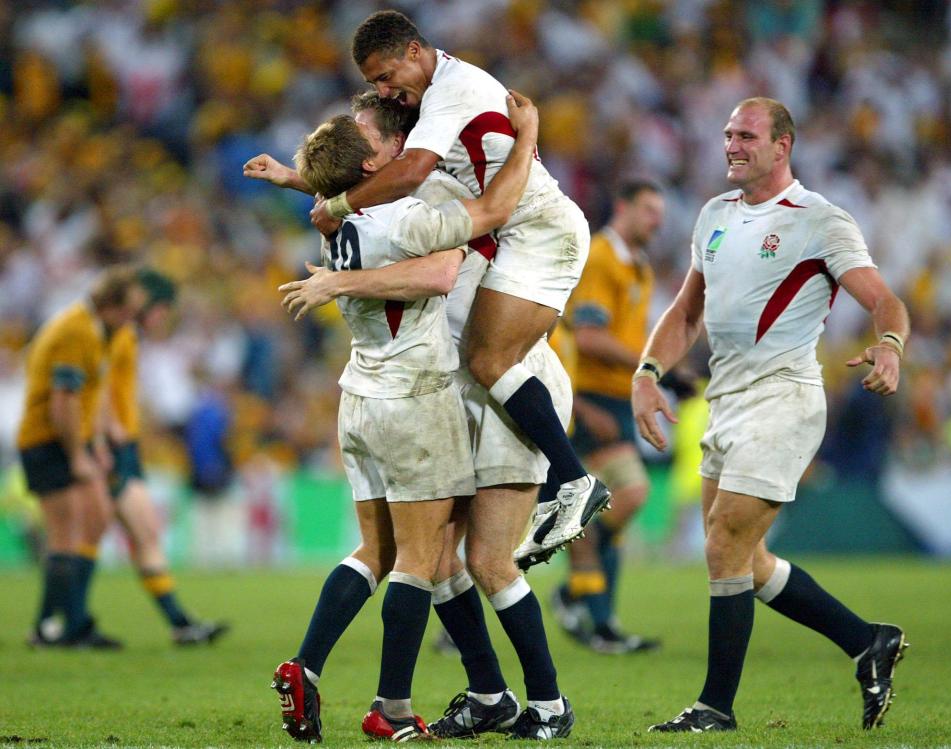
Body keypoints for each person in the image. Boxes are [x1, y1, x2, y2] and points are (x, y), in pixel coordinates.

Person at [280, 102, 577, 742]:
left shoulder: (384, 201)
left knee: (482, 560)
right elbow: (446, 255)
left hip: (486, 381)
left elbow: (490, 216)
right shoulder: (406, 208)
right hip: (426, 389)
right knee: (431, 558)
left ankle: (547, 704)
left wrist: (306, 204)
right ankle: (481, 695)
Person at [631, 97, 910, 732]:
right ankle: (868, 641)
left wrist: (890, 348)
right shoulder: (714, 214)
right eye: (728, 133)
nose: (731, 143)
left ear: (782, 146)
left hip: (784, 397)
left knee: (726, 543)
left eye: (746, 135)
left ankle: (714, 708)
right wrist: (647, 374)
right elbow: (684, 312)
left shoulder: (820, 221)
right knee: (740, 557)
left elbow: (885, 300)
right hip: (724, 400)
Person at [306, 10, 609, 562]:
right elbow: (380, 167)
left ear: (415, 51)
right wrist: (301, 179)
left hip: (538, 227)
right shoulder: (428, 97)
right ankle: (547, 485)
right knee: (486, 355)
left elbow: (411, 169)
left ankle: (572, 480)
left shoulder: (453, 88)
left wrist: (342, 203)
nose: (382, 89)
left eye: (384, 75)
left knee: (490, 356)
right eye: (373, 82)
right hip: (508, 229)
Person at [550, 181, 665, 654]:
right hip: (591, 397)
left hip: (618, 397)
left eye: (660, 212)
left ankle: (594, 609)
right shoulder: (600, 258)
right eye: (647, 210)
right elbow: (591, 337)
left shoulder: (640, 267)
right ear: (621, 206)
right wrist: (646, 361)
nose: (656, 220)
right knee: (627, 495)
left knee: (604, 508)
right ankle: (583, 592)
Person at [19, 265, 147, 648]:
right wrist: (77, 454)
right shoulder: (76, 332)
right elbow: (64, 402)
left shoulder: (96, 331)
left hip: (72, 440)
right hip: (49, 441)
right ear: (110, 305)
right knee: (65, 534)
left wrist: (99, 445)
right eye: (127, 311)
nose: (130, 321)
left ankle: (66, 623)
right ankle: (54, 627)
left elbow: (96, 392)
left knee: (96, 518)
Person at [104, 268, 229, 645]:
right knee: (84, 537)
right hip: (108, 447)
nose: (164, 318)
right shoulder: (121, 340)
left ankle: (180, 623)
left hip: (118, 446)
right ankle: (55, 625)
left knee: (140, 532)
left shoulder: (133, 341)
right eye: (162, 309)